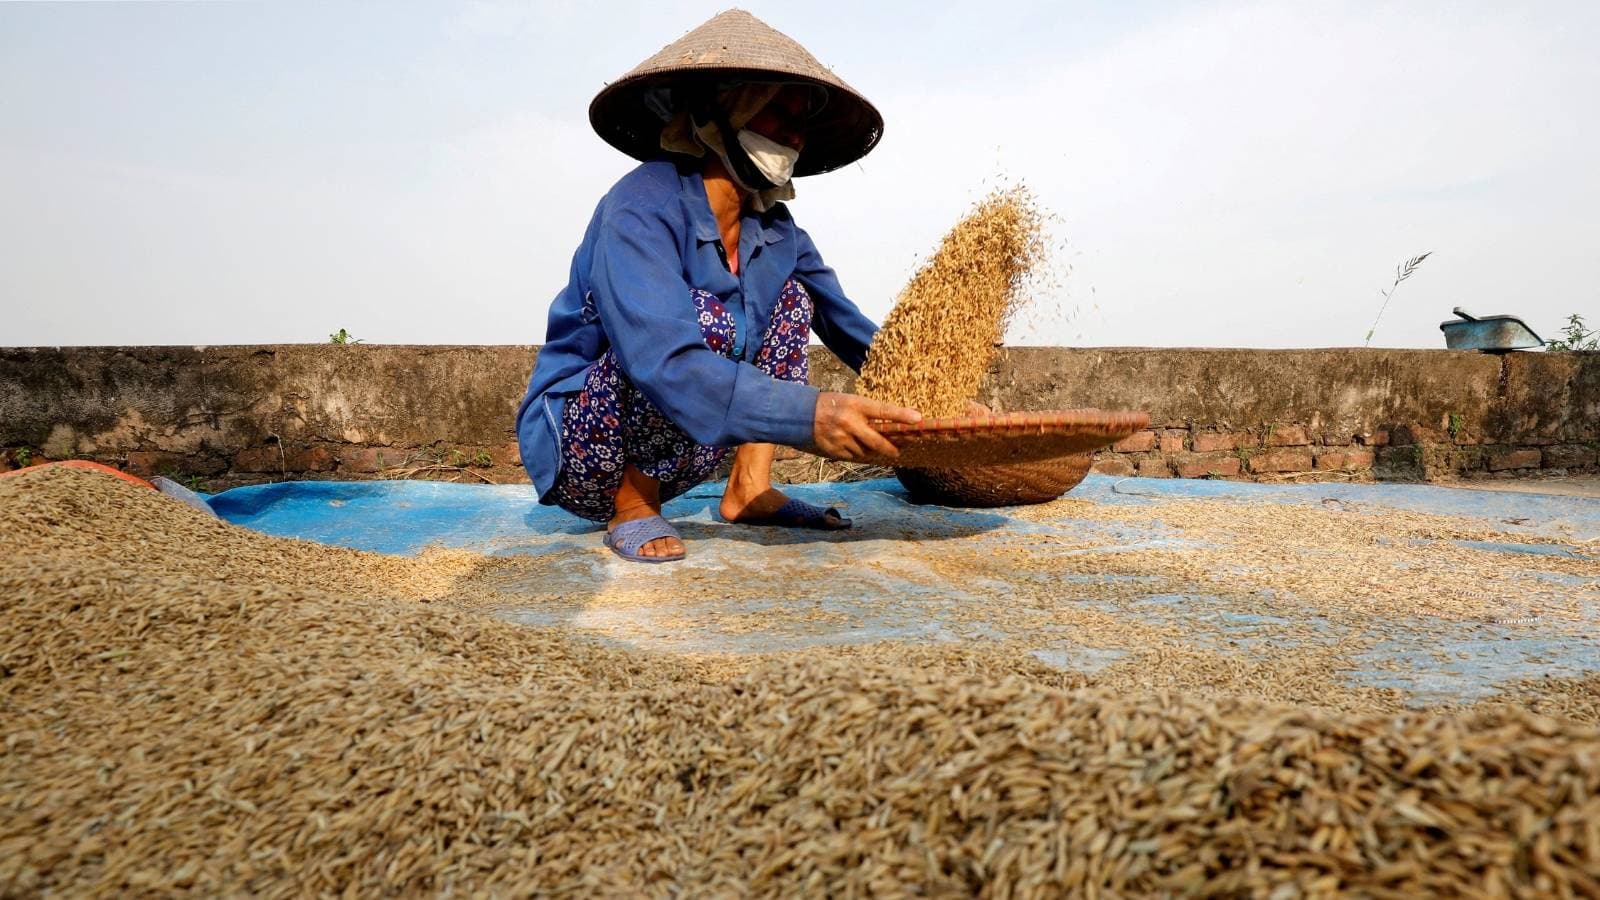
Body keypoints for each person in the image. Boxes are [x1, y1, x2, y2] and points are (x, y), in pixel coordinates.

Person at [515, 10, 920, 563]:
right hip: (587, 446)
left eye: (801, 119)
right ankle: (632, 503)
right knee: (705, 318)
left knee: (792, 301)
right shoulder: (640, 206)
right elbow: (662, 357)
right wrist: (811, 415)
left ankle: (749, 487)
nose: (794, 133)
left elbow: (848, 327)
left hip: (691, 444)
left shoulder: (777, 231)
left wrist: (930, 395)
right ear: (719, 114)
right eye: (777, 110)